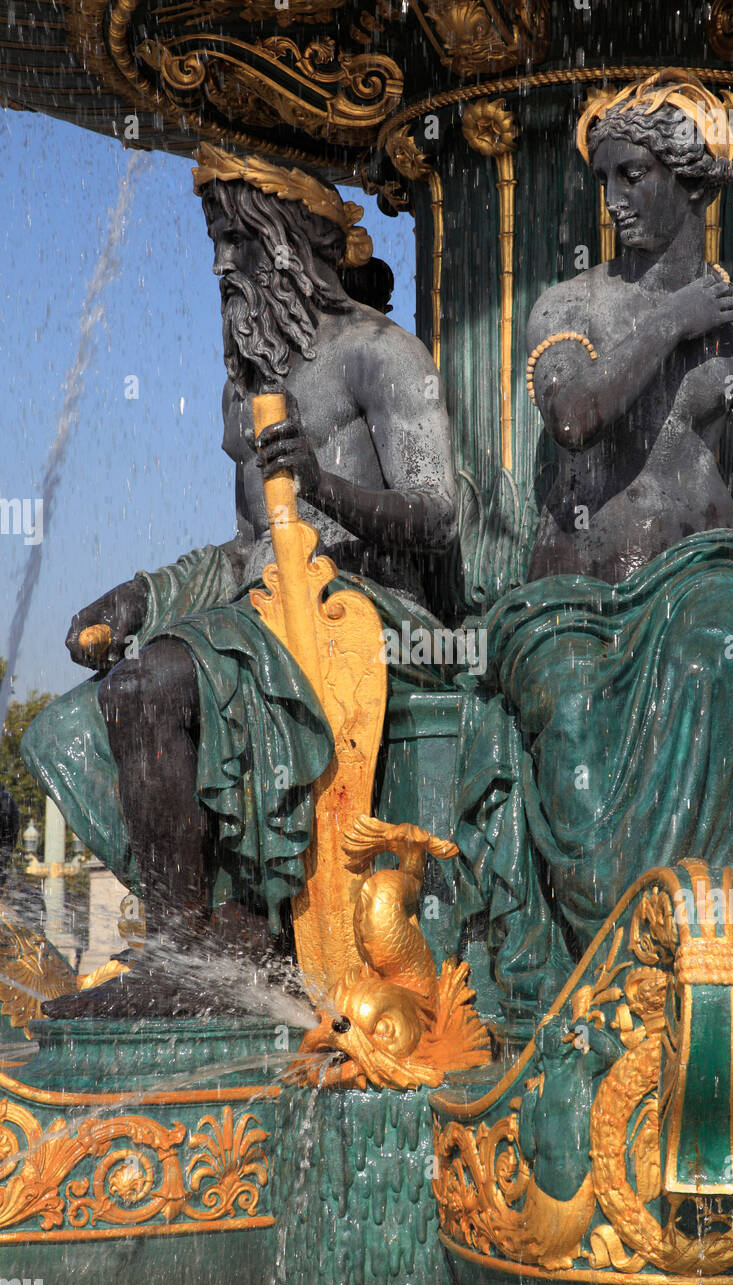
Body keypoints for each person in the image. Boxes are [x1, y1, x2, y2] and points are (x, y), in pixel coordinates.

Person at [454, 71, 733, 1027]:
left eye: (635, 175)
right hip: (570, 602)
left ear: (690, 182)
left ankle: (707, 954)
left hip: (704, 579)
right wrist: (677, 321)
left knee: (718, 652)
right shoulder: (565, 307)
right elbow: (575, 418)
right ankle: (603, 973)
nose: (616, 198)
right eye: (606, 178)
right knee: (561, 704)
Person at [23, 145, 456, 1015]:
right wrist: (142, 595)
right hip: (267, 613)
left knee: (153, 684)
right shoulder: (247, 391)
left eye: (238, 241)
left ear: (295, 248)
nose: (222, 264)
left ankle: (189, 960)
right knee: (105, 699)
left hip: (364, 613)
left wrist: (324, 483)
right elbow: (244, 548)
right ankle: (205, 946)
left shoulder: (382, 354)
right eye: (217, 241)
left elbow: (438, 511)